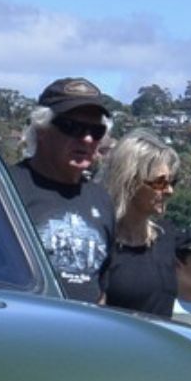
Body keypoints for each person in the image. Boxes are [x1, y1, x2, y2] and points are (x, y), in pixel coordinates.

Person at [10, 77, 115, 303]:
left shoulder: (101, 199)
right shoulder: (5, 187)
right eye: (72, 128)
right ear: (41, 130)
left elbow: (101, 288)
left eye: (96, 131)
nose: (87, 139)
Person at [101, 130, 181, 316]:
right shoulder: (101, 242)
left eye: (172, 182)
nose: (169, 191)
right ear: (130, 182)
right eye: (160, 183)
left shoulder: (166, 239)